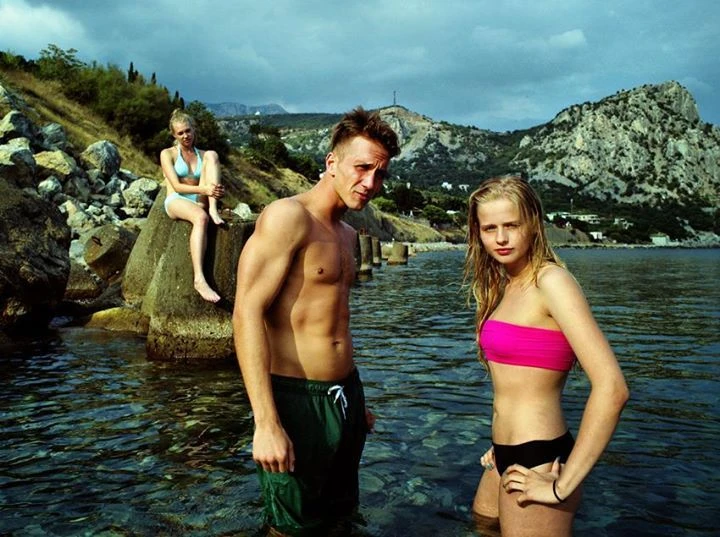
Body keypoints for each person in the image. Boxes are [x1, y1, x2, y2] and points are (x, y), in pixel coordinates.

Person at [232, 107, 400, 536]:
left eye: (380, 174)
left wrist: (355, 402)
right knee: (291, 526)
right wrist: (266, 422)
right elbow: (247, 312)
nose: (370, 183)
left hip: (346, 397)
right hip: (296, 398)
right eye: (362, 168)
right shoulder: (288, 217)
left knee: (340, 517)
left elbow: (333, 321)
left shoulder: (347, 235)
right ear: (331, 162)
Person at [465, 175, 629, 536]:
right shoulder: (505, 285)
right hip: (502, 455)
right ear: (478, 232)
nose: (501, 238)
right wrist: (499, 444)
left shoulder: (551, 282)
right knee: (481, 526)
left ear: (533, 225)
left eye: (511, 225)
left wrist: (561, 486)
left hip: (538, 459)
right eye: (490, 228)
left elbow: (612, 388)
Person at [159, 108, 225, 303]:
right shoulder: (167, 154)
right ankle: (199, 279)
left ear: (194, 130)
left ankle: (213, 208)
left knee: (212, 155)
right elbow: (177, 186)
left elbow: (209, 183)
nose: (185, 136)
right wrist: (205, 189)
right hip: (176, 199)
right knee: (200, 218)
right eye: (180, 133)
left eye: (188, 131)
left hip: (200, 199)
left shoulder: (202, 154)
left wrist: (215, 192)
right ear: (174, 135)